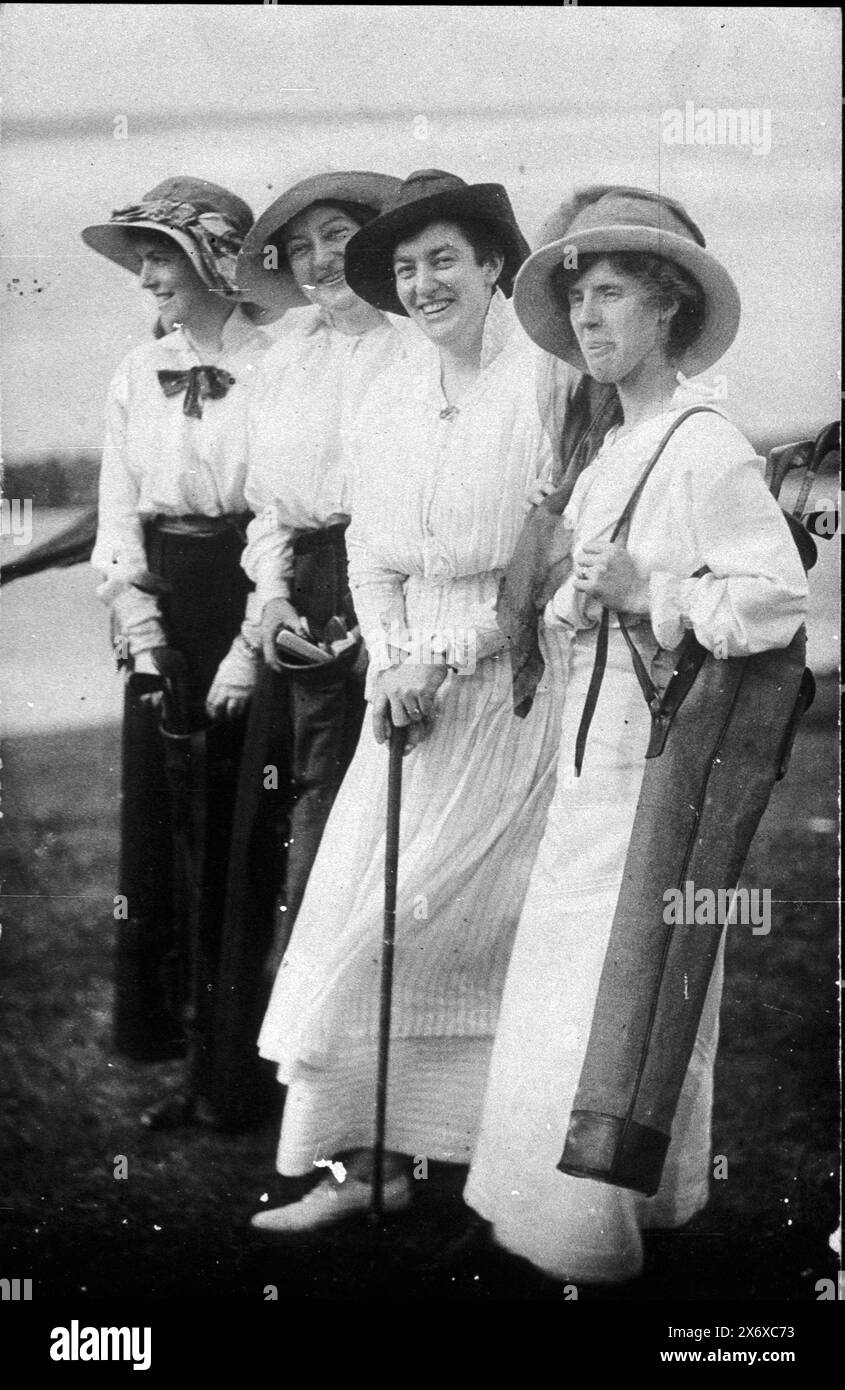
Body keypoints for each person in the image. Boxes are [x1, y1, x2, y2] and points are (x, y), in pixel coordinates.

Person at [464, 187, 809, 1283]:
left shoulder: (704, 447)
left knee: (611, 980)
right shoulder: (614, 445)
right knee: (588, 973)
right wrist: (579, 596)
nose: (586, 319)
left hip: (653, 762)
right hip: (593, 749)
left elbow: (771, 601)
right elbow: (590, 591)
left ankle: (583, 1234)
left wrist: (649, 589)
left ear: (665, 306)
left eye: (609, 293)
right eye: (576, 299)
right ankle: (625, 1207)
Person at [250, 169, 573, 1231]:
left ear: (492, 265)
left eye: (443, 259)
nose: (423, 282)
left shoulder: (547, 384)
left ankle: (501, 1173)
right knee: (360, 915)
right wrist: (391, 658)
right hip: (408, 702)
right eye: (403, 268)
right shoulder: (388, 393)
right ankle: (368, 1169)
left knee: (457, 932)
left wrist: (446, 655)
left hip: (513, 686)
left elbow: (552, 563)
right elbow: (373, 559)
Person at [209, 171, 415, 1129]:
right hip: (303, 594)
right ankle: (296, 1077)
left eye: (340, 235)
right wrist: (275, 596)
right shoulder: (285, 356)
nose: (322, 258)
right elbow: (268, 508)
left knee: (368, 821)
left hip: (393, 592)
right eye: (300, 247)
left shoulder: (413, 350)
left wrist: (380, 621)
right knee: (298, 818)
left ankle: (374, 1090)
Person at [83, 177, 273, 1117]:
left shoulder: (280, 366)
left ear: (213, 262)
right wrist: (144, 635)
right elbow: (118, 512)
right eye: (141, 259)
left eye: (160, 255)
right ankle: (193, 1060)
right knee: (167, 839)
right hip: (165, 609)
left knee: (244, 844)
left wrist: (248, 645)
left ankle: (244, 1074)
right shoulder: (132, 372)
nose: (147, 276)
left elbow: (282, 512)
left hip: (249, 602)